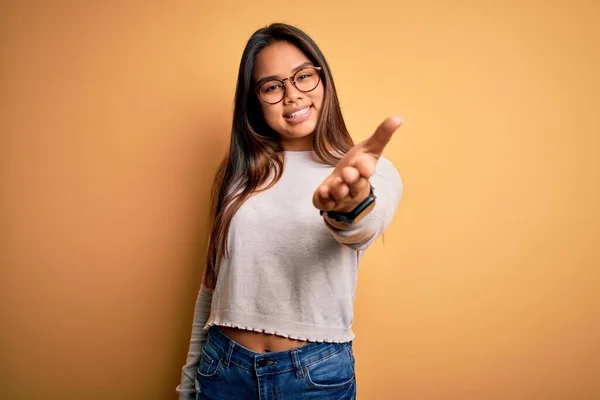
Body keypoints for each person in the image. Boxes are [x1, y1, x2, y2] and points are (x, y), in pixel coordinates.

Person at [177, 22, 403, 399]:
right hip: (223, 368)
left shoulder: (368, 170)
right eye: (272, 86)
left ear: (323, 80)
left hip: (313, 378)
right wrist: (188, 384)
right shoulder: (239, 175)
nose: (292, 95)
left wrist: (348, 206)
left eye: (303, 77)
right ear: (255, 100)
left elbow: (364, 226)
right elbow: (212, 287)